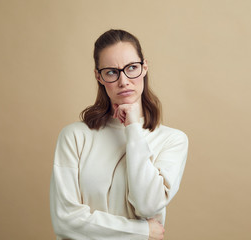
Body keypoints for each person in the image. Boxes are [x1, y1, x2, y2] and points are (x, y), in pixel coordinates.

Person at [50, 29, 188, 240]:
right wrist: (141, 231)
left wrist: (132, 128)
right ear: (99, 76)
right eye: (112, 72)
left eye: (132, 68)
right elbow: (65, 220)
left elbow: (148, 205)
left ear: (144, 67)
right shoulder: (75, 137)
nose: (124, 81)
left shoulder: (172, 140)